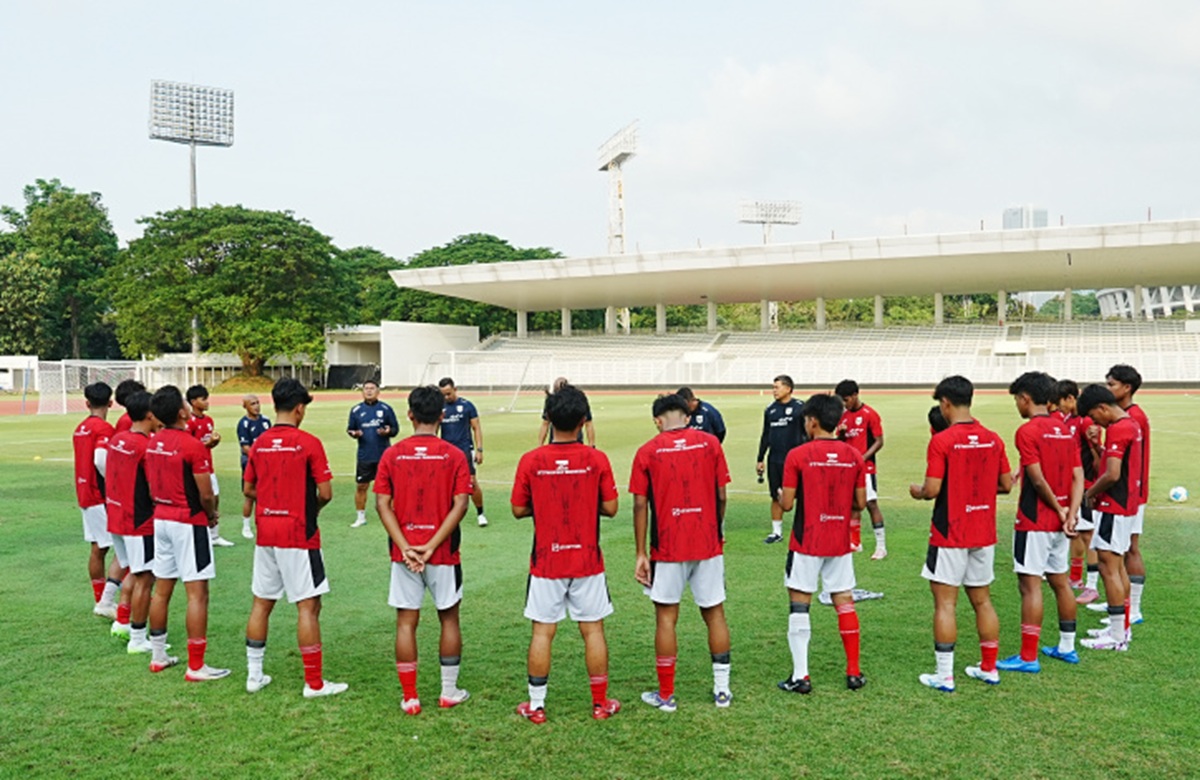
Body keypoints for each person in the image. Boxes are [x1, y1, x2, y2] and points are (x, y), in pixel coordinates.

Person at [512, 383, 620, 723]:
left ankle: (537, 706)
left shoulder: (531, 460)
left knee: (543, 632)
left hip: (546, 561)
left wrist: (543, 507)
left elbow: (517, 509)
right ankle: (600, 704)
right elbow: (612, 507)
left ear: (548, 418)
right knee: (593, 631)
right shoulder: (596, 458)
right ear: (584, 419)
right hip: (587, 560)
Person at [242, 378, 347, 698]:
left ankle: (254, 675)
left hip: (266, 534)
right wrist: (306, 508)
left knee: (262, 603)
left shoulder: (259, 442)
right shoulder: (309, 442)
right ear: (299, 408)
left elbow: (248, 489)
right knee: (308, 606)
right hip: (299, 534)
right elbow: (326, 492)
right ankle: (314, 683)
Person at [630, 393, 733, 711]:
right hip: (707, 543)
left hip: (668, 547)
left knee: (666, 619)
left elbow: (639, 503)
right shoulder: (710, 444)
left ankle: (667, 695)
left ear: (657, 420)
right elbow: (722, 495)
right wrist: (716, 530)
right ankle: (722, 692)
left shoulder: (647, 451)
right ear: (687, 416)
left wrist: (640, 553)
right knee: (714, 614)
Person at [910, 375, 1013, 692]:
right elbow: (1007, 484)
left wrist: (918, 491)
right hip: (983, 531)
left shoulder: (942, 440)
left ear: (945, 404)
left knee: (945, 605)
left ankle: (945, 676)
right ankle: (989, 668)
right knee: (983, 602)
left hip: (950, 532)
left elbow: (932, 489)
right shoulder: (993, 438)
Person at [375, 386, 473, 715]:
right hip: (443, 552)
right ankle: (448, 692)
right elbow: (461, 505)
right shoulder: (455, 455)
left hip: (404, 555)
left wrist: (406, 547)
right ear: (442, 416)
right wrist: (431, 546)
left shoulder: (392, 454)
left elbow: (382, 504)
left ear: (410, 415)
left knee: (406, 622)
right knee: (449, 618)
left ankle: (410, 697)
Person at [777, 394, 868, 694]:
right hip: (839, 540)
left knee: (800, 603)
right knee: (844, 600)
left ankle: (801, 676)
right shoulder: (854, 455)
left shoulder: (798, 455)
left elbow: (787, 504)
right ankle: (853, 672)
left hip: (807, 540)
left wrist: (781, 494)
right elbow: (861, 502)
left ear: (812, 421)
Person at [996, 372, 1083, 672]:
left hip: (1036, 520)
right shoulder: (1065, 429)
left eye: (1016, 400)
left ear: (1025, 398)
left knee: (1030, 585)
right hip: (1062, 522)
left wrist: (1059, 511)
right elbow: (1077, 476)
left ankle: (1028, 657)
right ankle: (1067, 647)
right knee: (1060, 581)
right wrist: (1071, 513)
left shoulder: (1027, 431)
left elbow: (1036, 477)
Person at [145, 385, 228, 680]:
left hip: (162, 519)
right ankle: (196, 665)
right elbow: (206, 494)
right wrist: (210, 516)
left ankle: (158, 656)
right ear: (182, 411)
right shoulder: (192, 446)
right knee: (198, 594)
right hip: (188, 522)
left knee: (162, 589)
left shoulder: (153, 442)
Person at [1076, 384, 1142, 651]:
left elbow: (1112, 474)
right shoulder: (1131, 425)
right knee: (1117, 566)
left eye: (1095, 416)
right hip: (1125, 505)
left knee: (1109, 566)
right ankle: (1121, 627)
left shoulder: (1118, 428)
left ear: (1103, 408)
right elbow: (1115, 465)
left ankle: (1117, 637)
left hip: (1114, 506)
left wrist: (1089, 493)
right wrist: (1096, 446)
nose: (1096, 423)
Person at [104, 390, 161, 654]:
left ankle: (123, 621)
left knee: (135, 572)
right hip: (139, 520)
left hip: (116, 516)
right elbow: (153, 488)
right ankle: (138, 638)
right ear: (150, 414)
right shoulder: (145, 446)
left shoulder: (117, 439)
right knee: (145, 577)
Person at [73, 382, 123, 617]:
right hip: (98, 494)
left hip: (84, 492)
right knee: (119, 547)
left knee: (98, 547)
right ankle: (106, 600)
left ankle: (101, 599)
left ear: (87, 403)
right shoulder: (104, 429)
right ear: (110, 403)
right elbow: (101, 460)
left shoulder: (80, 428)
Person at [1105, 365, 1150, 624]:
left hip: (1132, 493)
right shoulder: (1127, 415)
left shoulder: (1134, 417)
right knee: (1119, 551)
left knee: (1130, 548)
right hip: (1131, 491)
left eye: (1112, 384)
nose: (1108, 388)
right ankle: (1120, 605)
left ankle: (1133, 609)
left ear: (1127, 388)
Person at [1053, 380, 1104, 603]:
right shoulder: (1067, 420)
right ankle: (1075, 577)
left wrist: (1092, 485)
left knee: (1087, 535)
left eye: (1059, 402)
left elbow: (1097, 459)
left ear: (1071, 399)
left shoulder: (1085, 422)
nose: (1057, 407)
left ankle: (1092, 586)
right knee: (1076, 531)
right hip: (1072, 485)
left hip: (1086, 486)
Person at [835, 379, 887, 559]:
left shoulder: (870, 414)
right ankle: (855, 542)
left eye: (846, 399)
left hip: (866, 468)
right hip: (847, 467)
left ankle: (881, 546)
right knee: (852, 504)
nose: (844, 403)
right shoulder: (843, 416)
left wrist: (862, 458)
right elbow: (840, 442)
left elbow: (879, 441)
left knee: (871, 504)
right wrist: (841, 433)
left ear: (856, 395)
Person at [756, 375, 806, 544]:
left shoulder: (800, 408)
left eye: (777, 387)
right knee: (775, 496)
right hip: (775, 460)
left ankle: (804, 529)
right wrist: (760, 458)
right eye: (773, 387)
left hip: (796, 461)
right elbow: (765, 435)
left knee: (802, 495)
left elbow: (807, 434)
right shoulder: (770, 410)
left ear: (788, 389)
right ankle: (776, 532)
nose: (774, 390)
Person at [186, 385, 233, 548]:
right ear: (193, 402)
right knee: (201, 499)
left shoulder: (208, 420)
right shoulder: (189, 423)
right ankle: (201, 533)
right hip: (196, 469)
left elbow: (205, 446)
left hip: (208, 466)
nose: (207, 402)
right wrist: (207, 443)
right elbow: (187, 447)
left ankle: (214, 535)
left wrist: (213, 443)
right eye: (203, 399)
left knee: (215, 498)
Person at [348, 380, 399, 528]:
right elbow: (350, 429)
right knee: (361, 486)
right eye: (366, 389)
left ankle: (393, 515)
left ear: (378, 391)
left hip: (383, 455)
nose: (369, 391)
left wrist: (388, 431)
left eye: (372, 388)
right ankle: (360, 516)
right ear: (362, 392)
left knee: (389, 487)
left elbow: (395, 429)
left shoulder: (386, 409)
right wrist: (354, 433)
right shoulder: (356, 410)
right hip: (365, 456)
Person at [437, 377, 488, 527]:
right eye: (443, 395)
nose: (446, 397)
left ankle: (480, 513)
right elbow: (434, 429)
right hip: (446, 452)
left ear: (455, 389)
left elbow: (476, 428)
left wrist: (479, 449)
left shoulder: (467, 406)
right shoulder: (439, 407)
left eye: (448, 393)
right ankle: (447, 514)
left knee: (471, 482)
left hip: (465, 450)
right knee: (445, 483)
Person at [237, 394, 271, 539]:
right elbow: (246, 447)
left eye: (257, 403)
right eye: (252, 404)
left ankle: (264, 525)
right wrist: (259, 457)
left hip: (265, 462)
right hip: (250, 462)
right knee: (250, 495)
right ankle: (246, 526)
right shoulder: (243, 424)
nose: (256, 406)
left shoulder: (266, 421)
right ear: (245, 406)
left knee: (266, 493)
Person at [537, 377, 595, 446]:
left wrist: (540, 444)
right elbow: (588, 423)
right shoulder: (579, 401)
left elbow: (545, 424)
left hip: (557, 442)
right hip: (575, 442)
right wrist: (592, 445)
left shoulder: (553, 402)